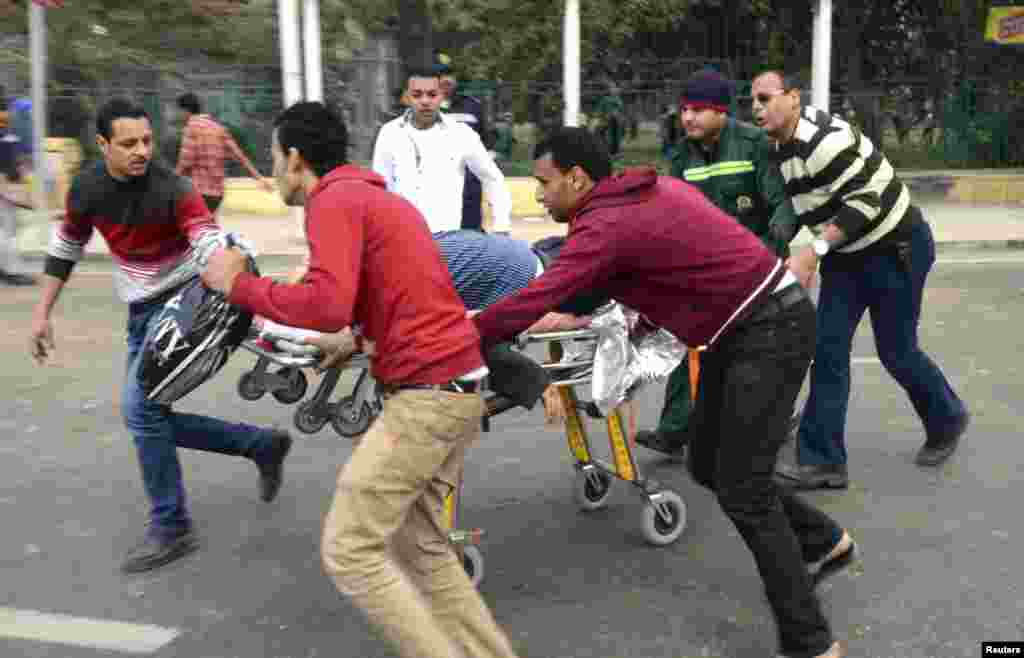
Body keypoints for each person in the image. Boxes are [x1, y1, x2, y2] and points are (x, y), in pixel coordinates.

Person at [472, 126, 852, 658]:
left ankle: (812, 643)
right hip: (743, 327)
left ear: (577, 178)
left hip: (770, 330)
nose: (539, 195)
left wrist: (465, 334)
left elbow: (547, 290)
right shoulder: (640, 194)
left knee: (744, 489)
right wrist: (560, 312)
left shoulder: (606, 223)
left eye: (543, 182)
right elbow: (609, 277)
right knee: (706, 464)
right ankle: (823, 541)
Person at [201, 101, 520, 658]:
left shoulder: (333, 200)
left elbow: (325, 302)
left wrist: (239, 286)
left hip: (427, 398)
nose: (272, 168)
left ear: (294, 158)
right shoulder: (378, 200)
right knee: (422, 551)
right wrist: (352, 339)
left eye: (273, 157)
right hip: (458, 388)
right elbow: (402, 298)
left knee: (350, 549)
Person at [27, 99, 292, 574]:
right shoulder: (88, 188)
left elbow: (208, 239)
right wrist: (41, 314)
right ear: (103, 145)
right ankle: (259, 445)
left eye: (147, 141)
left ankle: (172, 525)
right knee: (147, 415)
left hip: (187, 304)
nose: (141, 151)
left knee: (140, 411)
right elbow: (66, 248)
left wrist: (240, 280)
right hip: (139, 308)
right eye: (128, 143)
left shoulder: (173, 187)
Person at [750, 70, 970, 488]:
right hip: (847, 255)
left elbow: (864, 205)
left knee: (896, 351)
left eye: (765, 98)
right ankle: (823, 461)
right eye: (753, 101)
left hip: (896, 249)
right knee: (827, 350)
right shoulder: (779, 145)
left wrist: (813, 252)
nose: (757, 108)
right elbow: (807, 204)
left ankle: (947, 418)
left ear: (793, 98)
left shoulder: (824, 140)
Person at [636, 69, 800, 457]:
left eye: (698, 109)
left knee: (757, 352)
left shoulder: (754, 144)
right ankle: (676, 429)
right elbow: (670, 214)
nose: (688, 118)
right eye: (684, 109)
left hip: (756, 269)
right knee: (684, 336)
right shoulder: (680, 156)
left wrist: (767, 254)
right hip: (706, 270)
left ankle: (773, 422)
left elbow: (781, 207)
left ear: (721, 112)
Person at [372, 66, 512, 235]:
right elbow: (381, 187)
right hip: (403, 238)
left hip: (452, 241)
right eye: (417, 95)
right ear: (407, 97)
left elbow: (493, 179)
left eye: (432, 94)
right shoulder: (390, 133)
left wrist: (501, 227)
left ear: (441, 96)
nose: (425, 101)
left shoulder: (461, 134)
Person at [174, 92, 274, 215]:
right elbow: (240, 156)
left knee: (189, 228)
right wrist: (260, 178)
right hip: (217, 194)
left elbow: (185, 161)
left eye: (178, 111)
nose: (177, 115)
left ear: (185, 111)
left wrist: (171, 183)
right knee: (207, 228)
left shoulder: (191, 128)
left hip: (199, 192)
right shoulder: (218, 128)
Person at [437, 59, 494, 232]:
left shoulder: (472, 106)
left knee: (471, 230)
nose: (446, 80)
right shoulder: (424, 108)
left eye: (450, 75)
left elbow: (485, 141)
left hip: (469, 182)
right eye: (441, 76)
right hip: (437, 180)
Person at [0, 122, 36, 286]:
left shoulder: (9, 139)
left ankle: (9, 270)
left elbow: (15, 168)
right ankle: (11, 271)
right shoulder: (9, 140)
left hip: (7, 188)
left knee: (8, 232)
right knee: (6, 234)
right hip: (5, 190)